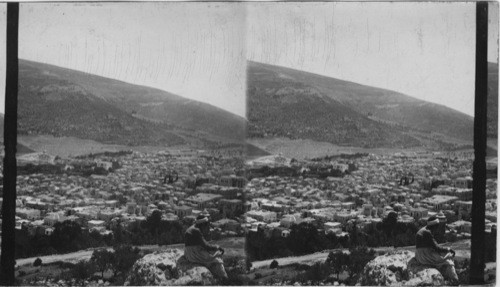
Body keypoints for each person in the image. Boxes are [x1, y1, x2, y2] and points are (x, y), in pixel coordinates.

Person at [415, 215, 458, 284]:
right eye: (437, 226)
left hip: (419, 255)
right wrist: (449, 249)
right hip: (424, 256)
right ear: (434, 226)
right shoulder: (428, 233)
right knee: (448, 260)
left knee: (443, 255)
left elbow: (433, 246)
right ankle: (455, 280)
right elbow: (437, 248)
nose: (437, 229)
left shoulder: (423, 230)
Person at [184, 214, 228, 282]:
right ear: (202, 224)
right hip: (194, 254)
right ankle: (223, 276)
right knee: (217, 256)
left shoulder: (192, 228)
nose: (207, 227)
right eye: (206, 225)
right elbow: (206, 246)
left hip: (188, 253)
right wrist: (217, 247)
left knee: (212, 253)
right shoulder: (196, 231)